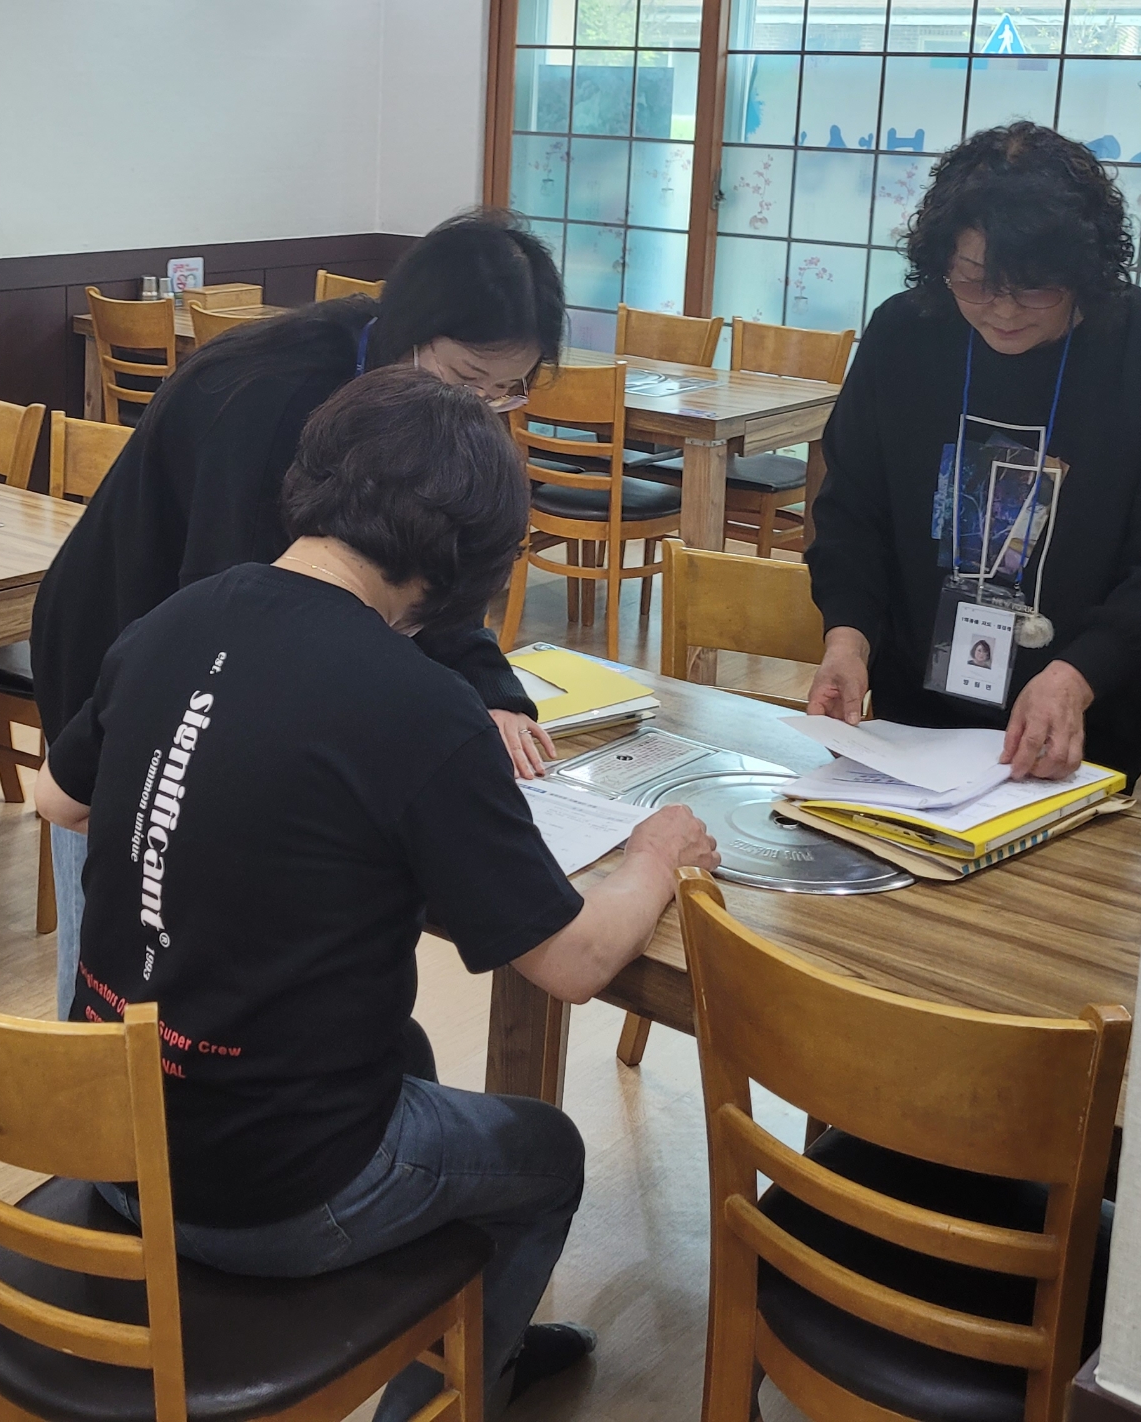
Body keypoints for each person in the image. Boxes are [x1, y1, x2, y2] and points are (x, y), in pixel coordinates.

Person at [40, 368, 718, 1422]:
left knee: (410, 1058)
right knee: (546, 1155)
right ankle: (454, 1389)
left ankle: (443, 1327)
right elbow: (574, 963)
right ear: (467, 565)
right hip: (266, 1189)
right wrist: (657, 854)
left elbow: (57, 798)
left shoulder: (178, 616)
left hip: (112, 1136)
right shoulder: (421, 704)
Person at [33, 209, 569, 1018]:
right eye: (470, 378)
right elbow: (230, 609)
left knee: (221, 929)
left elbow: (423, 556)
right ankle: (94, 1076)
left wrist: (490, 689)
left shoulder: (415, 402)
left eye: (509, 391)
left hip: (210, 632)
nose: (485, 405)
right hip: (127, 634)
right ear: (411, 332)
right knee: (128, 917)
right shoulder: (273, 395)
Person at [805, 122, 1141, 780]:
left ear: (1085, 273)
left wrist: (1076, 676)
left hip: (1079, 727)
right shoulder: (905, 335)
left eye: (1035, 288)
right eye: (975, 281)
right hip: (911, 725)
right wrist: (847, 637)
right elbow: (851, 509)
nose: (1003, 310)